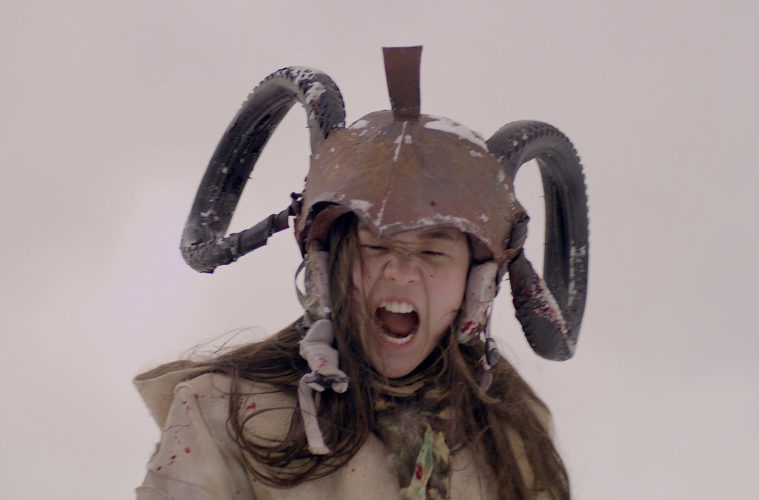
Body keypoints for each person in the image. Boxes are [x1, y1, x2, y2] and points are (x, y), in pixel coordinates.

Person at [135, 47, 589, 500]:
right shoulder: (223, 414)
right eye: (376, 245)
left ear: (476, 288)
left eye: (433, 251)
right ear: (328, 266)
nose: (401, 270)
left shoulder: (513, 435)